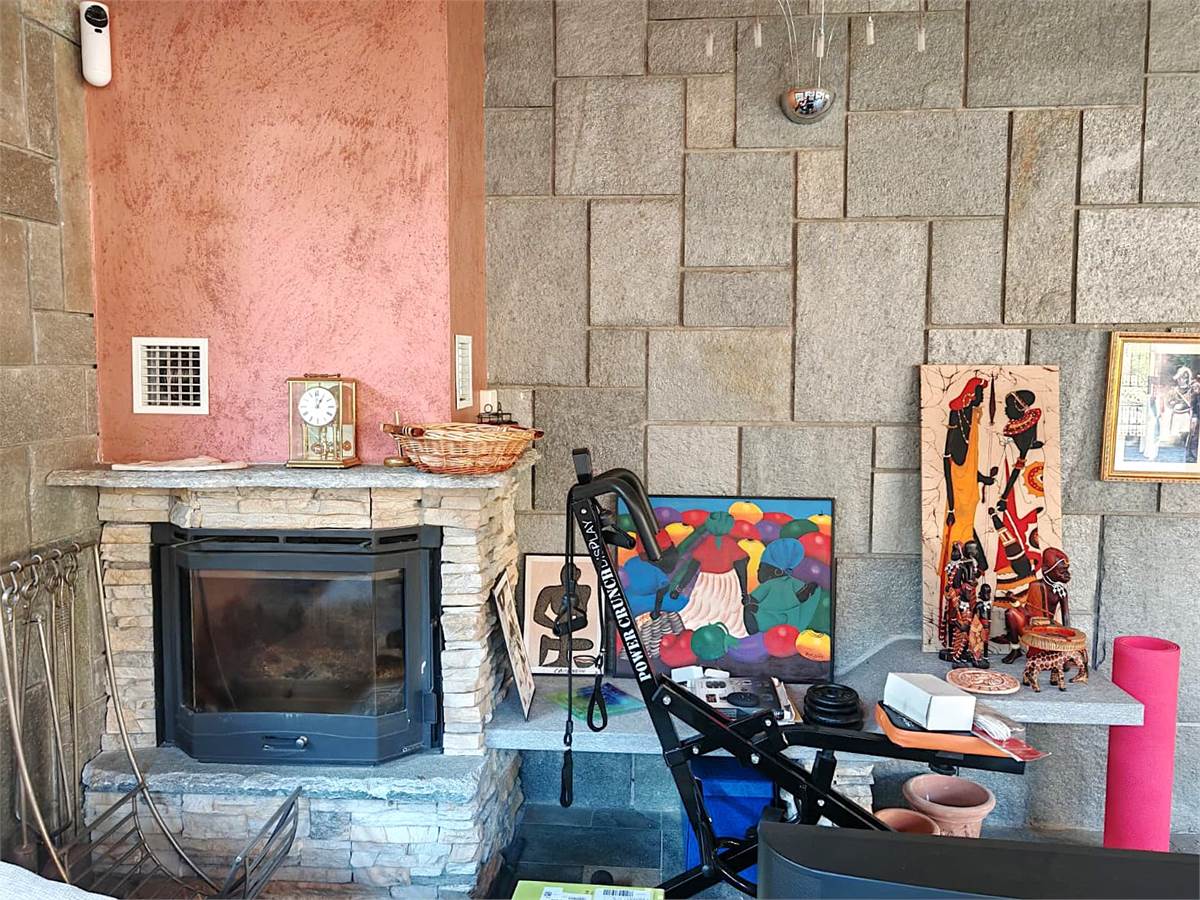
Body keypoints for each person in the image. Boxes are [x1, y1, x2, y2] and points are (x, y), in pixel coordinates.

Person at [937, 377, 997, 643]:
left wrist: (984, 479)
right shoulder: (958, 419)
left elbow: (970, 465)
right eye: (980, 394)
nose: (982, 399)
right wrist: (950, 505)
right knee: (960, 534)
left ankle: (976, 569)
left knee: (967, 531)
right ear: (970, 396)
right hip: (959, 495)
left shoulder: (972, 420)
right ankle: (968, 572)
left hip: (969, 491)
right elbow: (948, 465)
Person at [669, 510, 750, 638]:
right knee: (728, 612)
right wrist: (744, 593)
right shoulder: (730, 544)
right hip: (729, 582)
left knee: (701, 611)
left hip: (707, 583)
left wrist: (679, 589)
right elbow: (742, 567)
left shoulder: (705, 544)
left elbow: (691, 569)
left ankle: (703, 634)